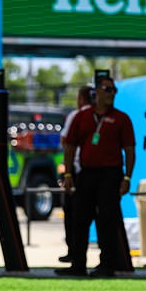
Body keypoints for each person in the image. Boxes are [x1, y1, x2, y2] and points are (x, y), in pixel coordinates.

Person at [56, 76, 136, 277]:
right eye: (107, 89)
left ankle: (107, 264)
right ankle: (78, 264)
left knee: (107, 220)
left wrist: (127, 178)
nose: (111, 93)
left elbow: (130, 150)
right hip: (86, 174)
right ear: (97, 92)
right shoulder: (82, 117)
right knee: (79, 219)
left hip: (111, 175)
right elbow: (70, 146)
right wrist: (68, 174)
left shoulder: (121, 118)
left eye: (113, 90)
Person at [58, 85, 93, 263]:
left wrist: (68, 173)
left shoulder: (77, 115)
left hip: (78, 171)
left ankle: (76, 255)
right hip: (96, 171)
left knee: (75, 215)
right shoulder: (102, 116)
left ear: (81, 98)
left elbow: (66, 141)